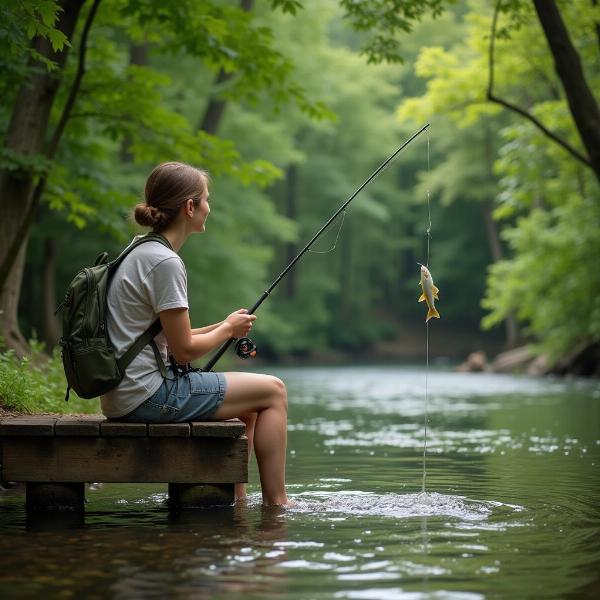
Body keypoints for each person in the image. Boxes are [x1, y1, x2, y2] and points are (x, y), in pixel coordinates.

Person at [100, 161, 291, 507]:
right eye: (206, 199)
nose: (208, 207)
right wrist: (228, 330)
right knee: (274, 391)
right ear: (190, 207)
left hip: (123, 393)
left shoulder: (139, 250)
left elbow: (172, 339)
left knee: (248, 408)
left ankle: (237, 499)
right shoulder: (166, 263)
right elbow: (185, 351)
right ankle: (277, 504)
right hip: (146, 396)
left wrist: (224, 327)